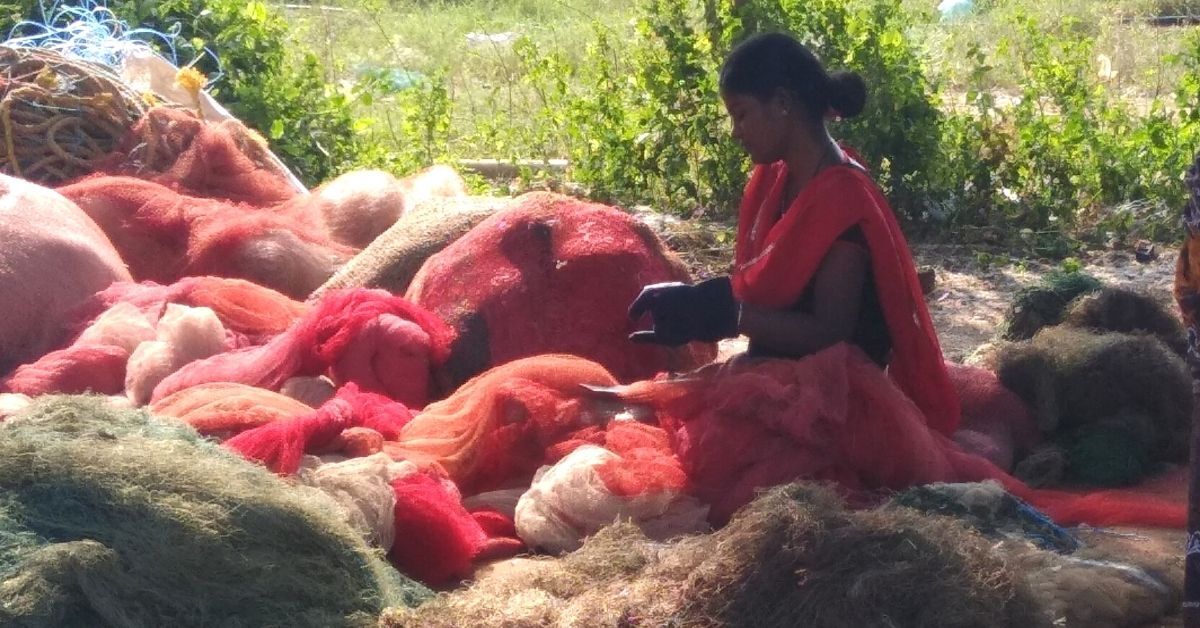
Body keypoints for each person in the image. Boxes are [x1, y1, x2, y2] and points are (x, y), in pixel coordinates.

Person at [628, 31, 960, 435]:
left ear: (782, 104)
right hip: (779, 374)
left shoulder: (841, 196)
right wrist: (695, 306)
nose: (736, 132)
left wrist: (728, 315)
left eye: (742, 113)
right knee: (642, 411)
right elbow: (768, 293)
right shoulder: (777, 180)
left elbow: (830, 333)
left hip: (834, 401)